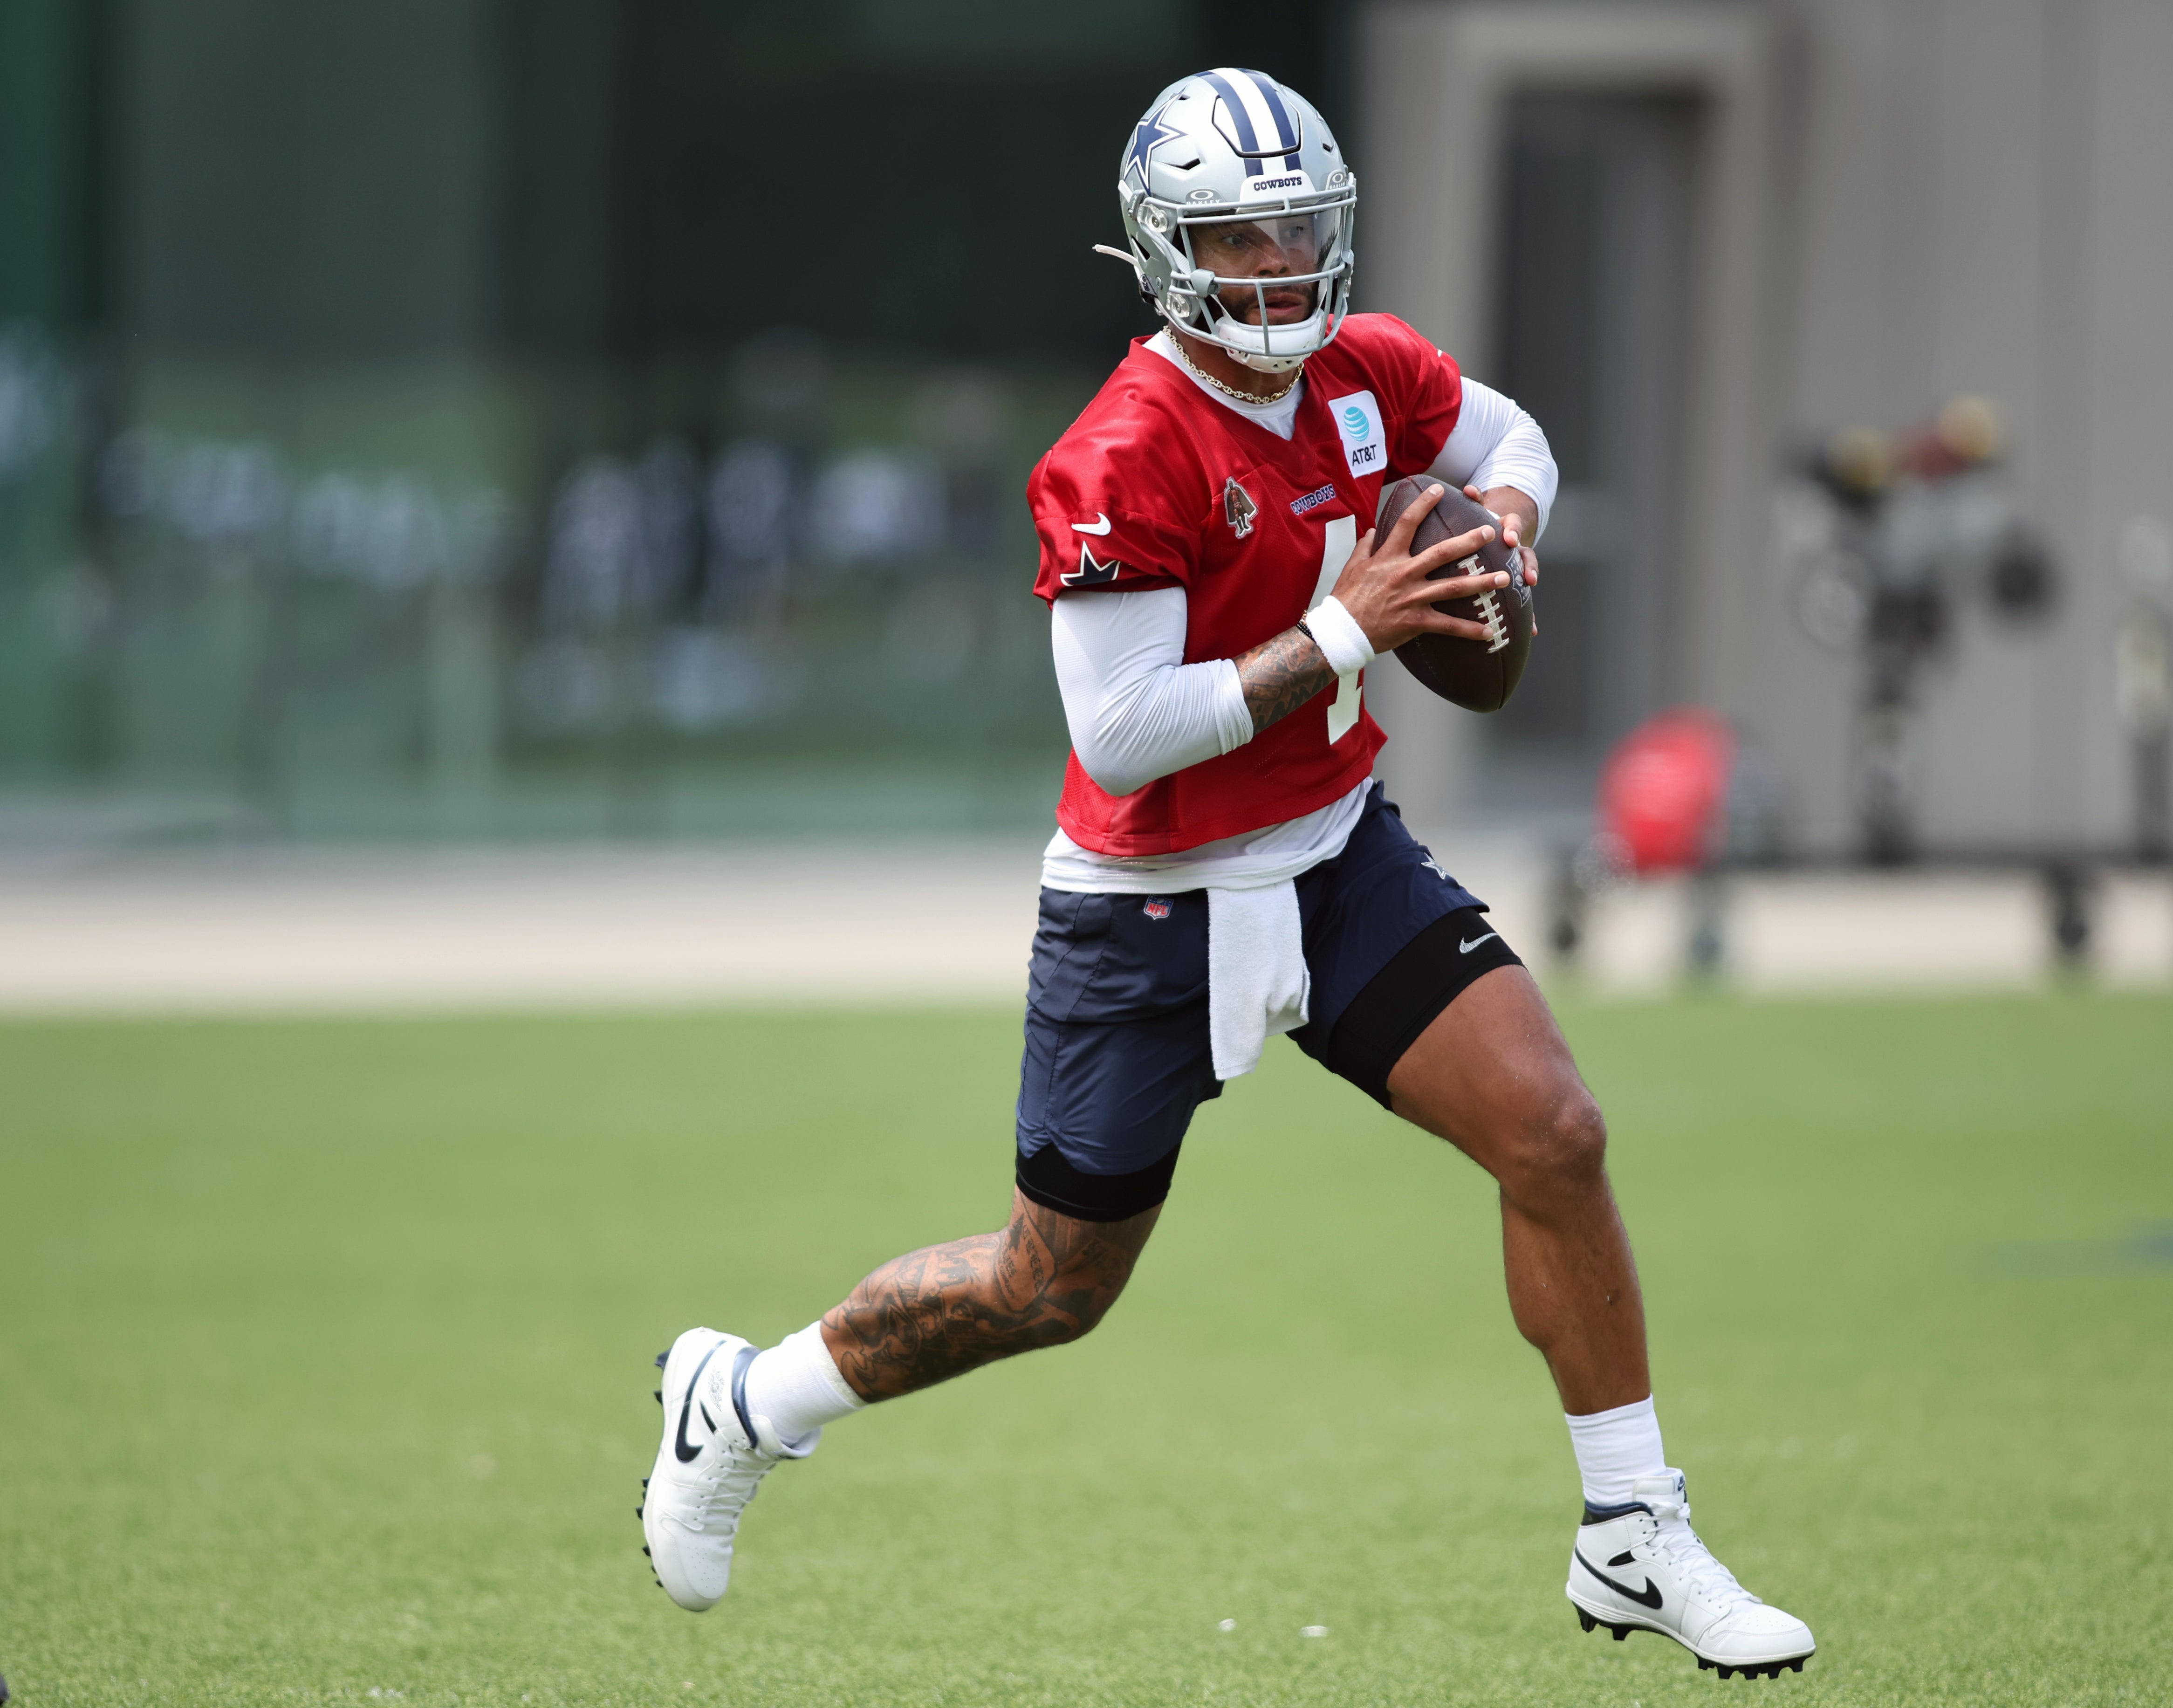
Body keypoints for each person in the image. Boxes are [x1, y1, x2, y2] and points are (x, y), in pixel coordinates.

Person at [640, 67, 1815, 1681]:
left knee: (1555, 1131)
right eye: (1237, 237)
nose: (1276, 265)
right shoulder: (1122, 449)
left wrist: (1498, 527)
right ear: (1165, 252)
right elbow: (1121, 734)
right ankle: (745, 1399)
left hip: (1338, 855)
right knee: (1048, 1285)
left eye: (1298, 229)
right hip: (1150, 908)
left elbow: (1513, 437)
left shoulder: (1365, 369)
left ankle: (1632, 1528)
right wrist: (1348, 628)